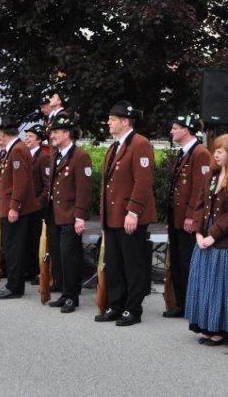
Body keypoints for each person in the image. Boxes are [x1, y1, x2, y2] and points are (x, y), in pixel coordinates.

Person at [94, 101, 156, 327]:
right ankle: (115, 304)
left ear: (125, 121)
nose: (108, 122)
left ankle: (133, 308)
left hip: (129, 217)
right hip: (113, 217)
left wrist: (133, 211)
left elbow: (143, 181)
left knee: (133, 264)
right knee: (114, 264)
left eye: (112, 119)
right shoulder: (115, 147)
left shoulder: (140, 144)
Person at [184, 133, 228, 344]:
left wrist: (212, 236)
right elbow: (199, 204)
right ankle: (206, 324)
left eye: (220, 151)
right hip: (206, 234)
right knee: (204, 282)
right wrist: (198, 231)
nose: (216, 155)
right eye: (215, 151)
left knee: (220, 285)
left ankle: (220, 329)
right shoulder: (211, 175)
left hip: (223, 239)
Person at [164, 113, 211, 318]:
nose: (172, 131)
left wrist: (192, 215)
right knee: (177, 261)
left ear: (187, 129)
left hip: (188, 219)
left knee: (186, 262)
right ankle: (181, 304)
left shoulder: (200, 153)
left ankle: (191, 305)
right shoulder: (184, 153)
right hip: (177, 217)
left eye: (175, 128)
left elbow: (200, 188)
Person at [46, 113, 92, 313]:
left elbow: (84, 189)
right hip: (55, 215)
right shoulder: (55, 155)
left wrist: (80, 216)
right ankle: (64, 293)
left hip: (70, 215)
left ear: (67, 133)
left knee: (69, 256)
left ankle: (72, 296)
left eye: (56, 132)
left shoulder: (80, 156)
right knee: (57, 255)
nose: (52, 136)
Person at [0, 120, 41, 300]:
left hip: (15, 209)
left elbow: (20, 181)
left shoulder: (18, 150)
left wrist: (14, 207)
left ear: (4, 135)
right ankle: (14, 284)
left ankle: (14, 287)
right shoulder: (15, 149)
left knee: (13, 248)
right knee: (12, 247)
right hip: (10, 206)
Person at [23, 123, 51, 284]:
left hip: (37, 206)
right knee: (27, 239)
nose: (27, 138)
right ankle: (28, 268)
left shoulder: (43, 157)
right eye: (26, 135)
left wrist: (38, 203)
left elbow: (47, 184)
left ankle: (36, 271)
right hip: (26, 206)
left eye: (31, 136)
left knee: (36, 239)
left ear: (39, 140)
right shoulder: (25, 154)